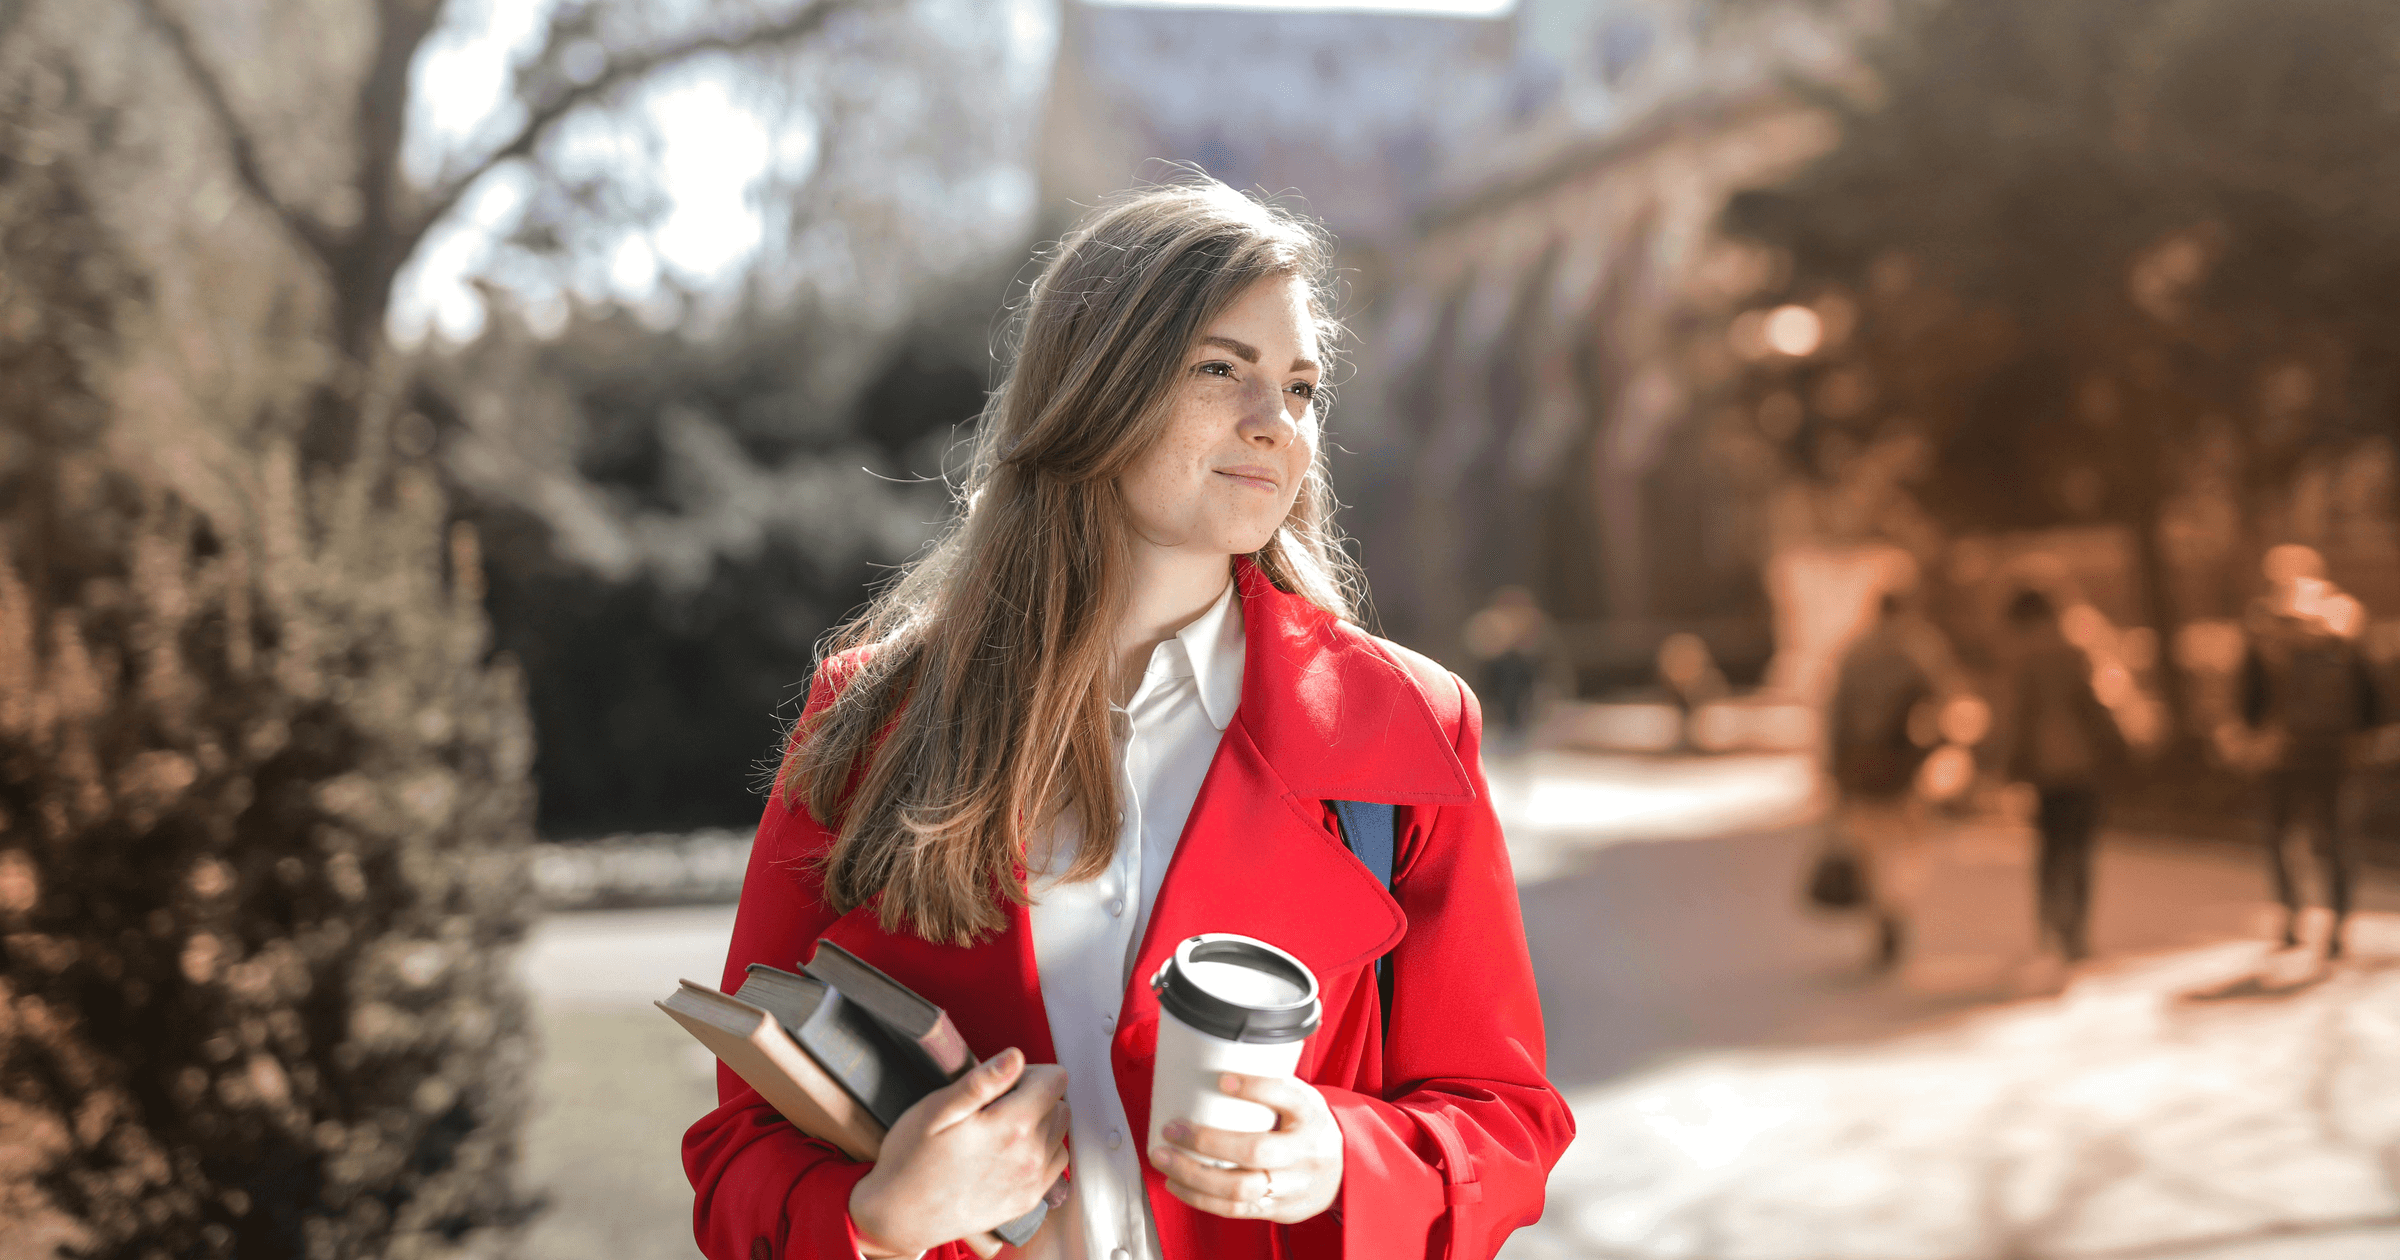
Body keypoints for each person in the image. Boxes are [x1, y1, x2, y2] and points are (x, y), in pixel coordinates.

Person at [682, 182, 1572, 1260]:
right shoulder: (871, 720)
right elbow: (740, 1146)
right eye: (1219, 368)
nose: (1275, 422)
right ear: (1093, 389)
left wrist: (1342, 1157)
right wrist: (875, 1223)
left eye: (1300, 386)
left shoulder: (1408, 729)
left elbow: (1505, 1118)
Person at [2238, 546, 2379, 958]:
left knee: (2281, 836)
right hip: (2334, 747)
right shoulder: (2342, 620)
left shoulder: (2264, 624)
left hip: (2282, 749)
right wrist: (2365, 734)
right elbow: (2367, 686)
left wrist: (2249, 734)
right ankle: (2338, 921)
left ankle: (2293, 914)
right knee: (2335, 835)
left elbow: (2251, 696)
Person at [1998, 591, 2128, 963]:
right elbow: (2097, 708)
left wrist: (2012, 768)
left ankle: (2051, 923)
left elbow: (2019, 719)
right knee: (2081, 849)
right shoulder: (2078, 651)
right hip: (2083, 767)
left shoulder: (2025, 660)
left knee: (2050, 850)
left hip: (2045, 770)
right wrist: (2117, 752)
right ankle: (2076, 929)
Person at [1824, 590, 1945, 971]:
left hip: (1859, 769)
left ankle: (1881, 915)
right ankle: (1894, 910)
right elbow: (1941, 705)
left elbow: (1836, 717)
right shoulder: (1918, 651)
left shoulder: (1854, 653)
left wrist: (1835, 770)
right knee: (1905, 847)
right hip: (1901, 769)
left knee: (1869, 850)